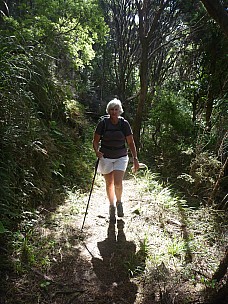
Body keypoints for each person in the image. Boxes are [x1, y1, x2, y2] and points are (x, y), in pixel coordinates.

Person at [92, 98, 139, 221]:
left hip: (121, 156)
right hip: (106, 157)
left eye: (116, 109)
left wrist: (135, 158)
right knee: (109, 183)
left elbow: (131, 142)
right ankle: (111, 206)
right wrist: (97, 151)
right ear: (108, 111)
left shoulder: (124, 124)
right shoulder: (103, 123)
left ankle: (119, 203)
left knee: (118, 182)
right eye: (111, 109)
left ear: (120, 111)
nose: (114, 112)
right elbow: (95, 141)